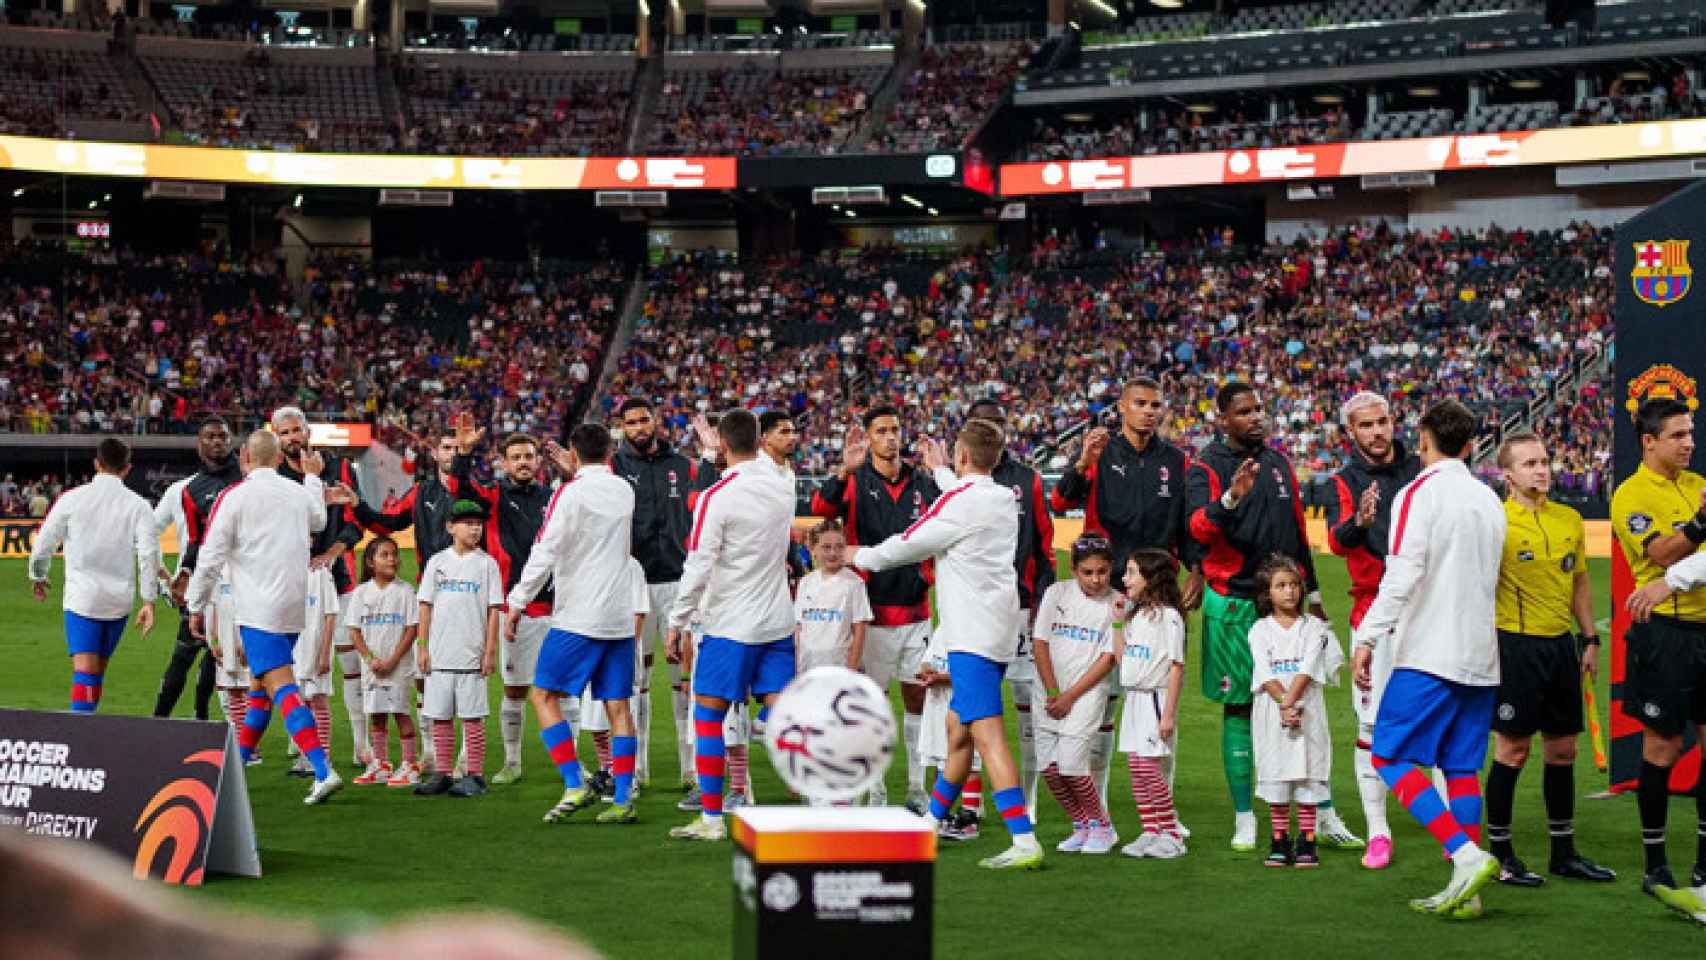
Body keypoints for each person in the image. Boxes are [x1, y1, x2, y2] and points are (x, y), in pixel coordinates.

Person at [853, 419, 1039, 870]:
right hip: (998, 628)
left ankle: (1024, 838)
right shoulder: (1001, 496)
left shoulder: (959, 501)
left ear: (961, 455)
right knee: (959, 730)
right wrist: (942, 474)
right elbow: (962, 501)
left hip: (970, 633)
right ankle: (931, 824)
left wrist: (857, 556)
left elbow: (911, 542)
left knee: (988, 736)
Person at [1186, 382, 1359, 851]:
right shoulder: (1206, 466)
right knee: (1240, 704)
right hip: (1236, 602)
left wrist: (1316, 593)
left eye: (1259, 409)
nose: (1256, 417)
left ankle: (1321, 813)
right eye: (1244, 411)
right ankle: (1246, 817)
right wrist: (1230, 500)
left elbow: (1299, 534)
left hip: (1290, 605)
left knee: (1306, 702)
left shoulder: (1280, 461)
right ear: (1222, 418)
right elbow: (1197, 527)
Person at [1352, 399, 1505, 918]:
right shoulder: (1489, 498)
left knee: (1388, 755)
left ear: (1422, 439)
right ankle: (1470, 894)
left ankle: (1465, 855)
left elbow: (1402, 574)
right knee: (1460, 769)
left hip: (1430, 652)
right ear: (1469, 444)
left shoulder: (1418, 492)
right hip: (1482, 654)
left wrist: (1368, 637)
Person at [184, 429, 344, 805]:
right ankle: (235, 765)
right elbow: (319, 521)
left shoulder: (234, 497)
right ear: (276, 459)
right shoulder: (298, 493)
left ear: (244, 458)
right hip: (293, 603)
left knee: (282, 687)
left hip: (258, 608)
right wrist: (311, 476)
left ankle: (322, 769)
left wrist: (195, 605)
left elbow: (210, 558)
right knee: (260, 689)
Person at [1485, 432, 1615, 886]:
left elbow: (1579, 581)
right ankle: (1499, 854)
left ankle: (1564, 853)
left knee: (1563, 751)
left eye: (1545, 461)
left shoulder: (1569, 519)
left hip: (1561, 645)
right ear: (1508, 475)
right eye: (1530, 464)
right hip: (1514, 647)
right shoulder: (1495, 523)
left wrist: (1589, 638)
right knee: (1513, 749)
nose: (1542, 469)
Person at [666, 410, 796, 841]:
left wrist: (677, 620)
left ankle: (710, 819)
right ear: (759, 440)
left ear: (722, 443)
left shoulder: (717, 496)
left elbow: (699, 563)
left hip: (730, 624)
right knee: (781, 710)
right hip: (777, 621)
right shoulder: (783, 486)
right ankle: (826, 796)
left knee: (708, 716)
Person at [507, 423, 642, 826]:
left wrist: (517, 601)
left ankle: (574, 781)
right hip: (619, 616)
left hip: (580, 614)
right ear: (611, 451)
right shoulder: (623, 489)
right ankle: (621, 798)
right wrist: (575, 471)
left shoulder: (568, 494)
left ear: (572, 451)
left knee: (543, 695)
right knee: (618, 706)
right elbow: (599, 491)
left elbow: (545, 548)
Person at [813, 405, 941, 810]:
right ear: (867, 437)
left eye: (895, 429)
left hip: (917, 610)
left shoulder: (921, 481)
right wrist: (842, 474)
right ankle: (877, 789)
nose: (890, 437)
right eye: (881, 430)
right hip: (872, 614)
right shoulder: (855, 480)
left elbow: (948, 521)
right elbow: (820, 512)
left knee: (917, 700)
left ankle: (917, 787)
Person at [938, 398, 1056, 831]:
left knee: (1015, 719)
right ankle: (957, 812)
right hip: (977, 618)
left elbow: (1044, 545)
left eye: (997, 425)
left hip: (1012, 616)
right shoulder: (961, 485)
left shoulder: (1027, 481)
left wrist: (1040, 603)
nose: (992, 432)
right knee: (961, 721)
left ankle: (1025, 814)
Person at [1615, 397, 1706, 921]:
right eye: (1678, 434)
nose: (1689, 442)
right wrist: (1701, 522)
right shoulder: (1631, 493)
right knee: (1662, 745)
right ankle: (1655, 863)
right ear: (1649, 441)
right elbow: (1661, 553)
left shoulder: (1695, 485)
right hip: (1665, 633)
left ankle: (1703, 866)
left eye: (1691, 432)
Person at [1324, 391, 1421, 870]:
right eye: (1366, 425)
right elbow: (1336, 543)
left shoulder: (1421, 467)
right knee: (1371, 724)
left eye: (1383, 421)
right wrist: (1360, 524)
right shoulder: (1344, 481)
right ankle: (1378, 832)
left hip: (1426, 610)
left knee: (1439, 719)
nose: (1378, 432)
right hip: (1374, 614)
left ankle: (1450, 826)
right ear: (1351, 433)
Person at [612, 398, 721, 803]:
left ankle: (691, 770)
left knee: (685, 683)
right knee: (634, 682)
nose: (639, 427)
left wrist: (709, 455)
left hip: (680, 584)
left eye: (645, 420)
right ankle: (636, 769)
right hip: (635, 585)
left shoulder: (684, 466)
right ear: (622, 427)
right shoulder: (614, 469)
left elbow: (709, 501)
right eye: (631, 422)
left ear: (656, 422)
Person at [27, 437, 159, 714]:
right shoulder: (139, 506)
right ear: (127, 468)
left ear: (96, 464)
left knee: (86, 671)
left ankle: (80, 736)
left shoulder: (72, 499)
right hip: (118, 602)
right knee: (95, 672)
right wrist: (148, 601)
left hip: (82, 599)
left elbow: (44, 542)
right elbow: (148, 555)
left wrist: (38, 575)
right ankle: (87, 728)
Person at [272, 407, 366, 766]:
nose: (294, 437)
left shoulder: (341, 468)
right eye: (286, 433)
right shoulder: (277, 476)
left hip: (339, 579)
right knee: (297, 663)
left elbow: (358, 520)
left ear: (308, 432)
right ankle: (304, 741)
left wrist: (332, 552)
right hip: (291, 583)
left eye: (298, 430)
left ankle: (360, 743)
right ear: (278, 438)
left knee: (347, 659)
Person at [1249, 555, 1345, 870]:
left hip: (1307, 711)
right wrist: (1283, 704)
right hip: (1272, 712)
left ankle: (1307, 839)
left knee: (1309, 773)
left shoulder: (1315, 628)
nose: (1289, 592)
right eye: (1281, 586)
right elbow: (1264, 672)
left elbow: (1308, 668)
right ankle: (1279, 840)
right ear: (1267, 593)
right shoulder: (1259, 630)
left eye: (1294, 585)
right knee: (1277, 772)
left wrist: (1289, 703)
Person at [1032, 535, 1120, 856]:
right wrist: (1053, 690)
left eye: (1102, 571)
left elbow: (1108, 658)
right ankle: (1081, 824)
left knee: (1071, 765)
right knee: (1049, 769)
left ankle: (1103, 826)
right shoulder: (1056, 594)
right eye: (1087, 572)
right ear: (1073, 570)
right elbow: (1040, 641)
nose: (1096, 579)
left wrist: (1069, 696)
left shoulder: (1118, 605)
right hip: (1047, 691)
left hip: (1086, 694)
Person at [415, 499, 504, 798]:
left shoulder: (487, 564)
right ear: (451, 526)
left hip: (471, 653)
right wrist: (423, 646)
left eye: (479, 524)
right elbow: (425, 606)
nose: (475, 529)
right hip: (439, 653)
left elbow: (494, 610)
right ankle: (443, 773)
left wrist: (490, 650)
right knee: (439, 715)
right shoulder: (437, 562)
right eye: (468, 523)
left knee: (472, 716)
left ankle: (475, 775)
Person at [153, 417, 237, 721]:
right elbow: (183, 537)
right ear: (199, 443)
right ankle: (159, 721)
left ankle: (204, 719)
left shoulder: (246, 479)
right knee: (185, 653)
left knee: (220, 658)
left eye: (223, 436)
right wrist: (175, 575)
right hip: (200, 585)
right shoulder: (185, 490)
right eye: (210, 436)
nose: (217, 442)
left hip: (240, 586)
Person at [1116, 549, 1188, 859]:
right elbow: (1124, 660)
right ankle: (1150, 829)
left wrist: (1168, 715)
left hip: (1155, 699)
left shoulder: (1169, 617)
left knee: (1149, 767)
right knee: (1136, 767)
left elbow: (1176, 666)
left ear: (1151, 578)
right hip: (1134, 698)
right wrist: (1118, 625)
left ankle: (1171, 834)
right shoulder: (1136, 614)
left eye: (1131, 572)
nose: (1124, 578)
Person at [346, 537, 421, 787]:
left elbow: (411, 629)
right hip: (372, 668)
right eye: (385, 555)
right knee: (376, 715)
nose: (392, 559)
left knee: (401, 712)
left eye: (394, 554)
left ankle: (410, 764)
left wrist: (392, 660)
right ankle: (381, 764)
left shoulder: (405, 591)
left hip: (397, 666)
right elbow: (355, 630)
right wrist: (369, 659)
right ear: (370, 562)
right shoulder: (360, 593)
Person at [793, 520, 872, 672]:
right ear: (813, 549)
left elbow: (859, 630)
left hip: (839, 668)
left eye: (839, 547)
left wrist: (851, 670)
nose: (833, 553)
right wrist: (796, 667)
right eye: (826, 547)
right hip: (808, 668)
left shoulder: (854, 583)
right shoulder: (805, 583)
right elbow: (799, 628)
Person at [289, 565, 340, 778]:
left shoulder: (321, 573)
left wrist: (325, 652)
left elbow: (330, 615)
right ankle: (306, 755)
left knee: (318, 701)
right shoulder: (287, 569)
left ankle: (324, 755)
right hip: (295, 648)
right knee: (301, 704)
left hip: (315, 648)